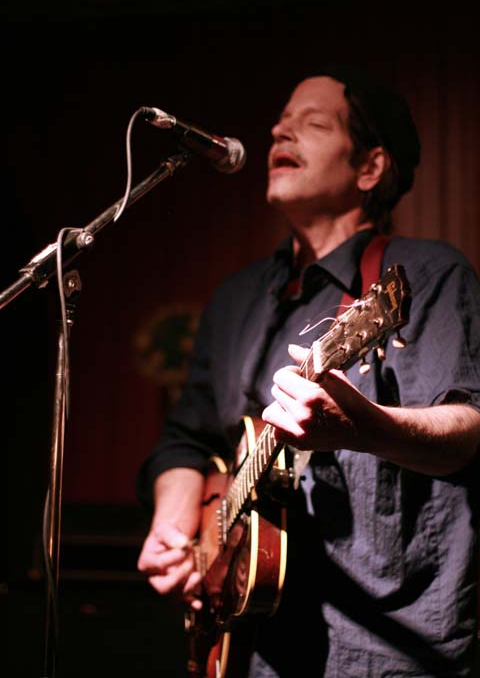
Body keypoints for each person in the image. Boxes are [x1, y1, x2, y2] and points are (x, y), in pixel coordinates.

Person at [136, 66, 480, 677]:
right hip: (251, 647)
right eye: (280, 122)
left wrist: (365, 428)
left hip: (386, 652)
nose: (279, 132)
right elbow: (185, 439)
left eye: (312, 123)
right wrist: (176, 527)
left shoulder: (427, 276)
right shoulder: (237, 299)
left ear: (370, 168)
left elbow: (470, 431)